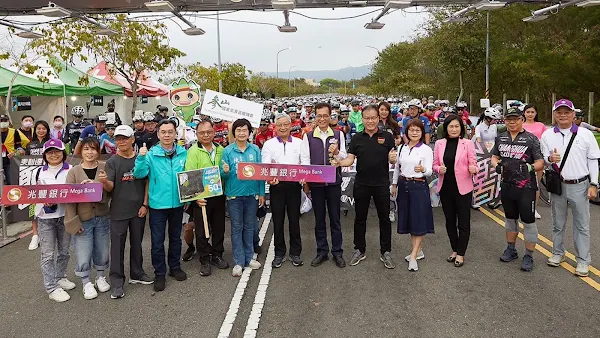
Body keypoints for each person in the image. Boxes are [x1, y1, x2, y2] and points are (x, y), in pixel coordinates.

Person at [332, 104, 397, 269]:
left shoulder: (387, 137)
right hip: (361, 183)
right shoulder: (357, 138)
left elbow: (392, 159)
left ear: (378, 118)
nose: (370, 121)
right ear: (362, 119)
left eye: (373, 118)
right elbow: (350, 159)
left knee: (384, 219)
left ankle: (386, 251)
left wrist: (392, 159)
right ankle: (359, 249)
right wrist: (339, 162)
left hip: (382, 184)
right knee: (360, 218)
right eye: (366, 118)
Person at [541, 99, 600, 277]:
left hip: (580, 185)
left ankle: (583, 260)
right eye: (559, 112)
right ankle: (558, 253)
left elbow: (593, 160)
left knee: (581, 225)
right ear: (555, 115)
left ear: (574, 114)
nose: (563, 115)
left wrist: (594, 184)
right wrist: (550, 159)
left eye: (567, 112)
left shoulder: (585, 134)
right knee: (558, 223)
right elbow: (543, 159)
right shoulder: (547, 135)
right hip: (558, 185)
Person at [133, 119, 188, 292]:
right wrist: (141, 158)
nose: (166, 135)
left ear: (175, 134)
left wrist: (188, 198)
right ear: (158, 134)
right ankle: (160, 273)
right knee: (157, 242)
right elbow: (139, 174)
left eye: (170, 132)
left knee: (175, 238)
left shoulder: (183, 153)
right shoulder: (150, 154)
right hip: (157, 204)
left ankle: (175, 267)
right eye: (163, 132)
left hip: (178, 203)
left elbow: (189, 177)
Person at [491, 107, 544, 272]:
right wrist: (496, 165)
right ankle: (511, 249)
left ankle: (528, 255)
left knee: (528, 222)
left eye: (515, 119)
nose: (512, 122)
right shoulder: (501, 138)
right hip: (507, 185)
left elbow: (540, 163)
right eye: (508, 119)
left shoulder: (531, 139)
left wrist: (529, 167)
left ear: (521, 119)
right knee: (510, 219)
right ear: (505, 121)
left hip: (526, 187)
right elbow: (494, 156)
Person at [104, 125, 153, 299]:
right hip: (118, 211)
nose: (121, 142)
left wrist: (145, 204)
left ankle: (137, 273)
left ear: (133, 139)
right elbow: (110, 186)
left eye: (125, 138)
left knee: (137, 243)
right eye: (118, 139)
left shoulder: (142, 158)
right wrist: (103, 182)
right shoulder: (112, 162)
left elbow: (147, 182)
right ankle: (117, 282)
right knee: (117, 247)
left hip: (138, 210)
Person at [300, 102, 347, 268]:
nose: (322, 119)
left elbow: (344, 157)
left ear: (330, 116)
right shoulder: (309, 135)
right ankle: (322, 251)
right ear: (315, 116)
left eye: (325, 115)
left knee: (335, 218)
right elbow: (305, 159)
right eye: (319, 115)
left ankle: (337, 252)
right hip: (316, 183)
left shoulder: (338, 134)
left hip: (334, 182)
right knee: (319, 218)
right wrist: (306, 180)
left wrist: (337, 153)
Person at [64, 137, 111, 300]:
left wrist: (98, 185)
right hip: (83, 218)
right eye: (86, 149)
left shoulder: (105, 167)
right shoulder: (74, 171)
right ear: (81, 151)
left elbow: (111, 191)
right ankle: (86, 281)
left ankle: (100, 276)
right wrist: (73, 221)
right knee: (83, 250)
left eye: (93, 149)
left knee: (103, 248)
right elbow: (69, 199)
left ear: (98, 151)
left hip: (102, 215)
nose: (90, 152)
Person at [183, 120, 229, 276]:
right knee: (202, 230)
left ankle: (217, 255)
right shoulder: (193, 151)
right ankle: (204, 259)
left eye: (209, 132)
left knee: (219, 227)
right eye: (202, 132)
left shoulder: (221, 149)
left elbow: (224, 172)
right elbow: (189, 174)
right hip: (201, 198)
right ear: (197, 134)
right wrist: (195, 197)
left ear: (214, 132)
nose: (206, 135)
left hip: (218, 195)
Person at [222, 118, 265, 276]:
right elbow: (223, 177)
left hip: (251, 194)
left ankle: (248, 257)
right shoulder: (227, 151)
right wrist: (224, 171)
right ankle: (238, 261)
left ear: (249, 132)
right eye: (238, 130)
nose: (241, 133)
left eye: (244, 130)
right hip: (234, 196)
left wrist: (261, 193)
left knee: (249, 227)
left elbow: (260, 173)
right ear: (234, 133)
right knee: (236, 228)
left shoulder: (255, 150)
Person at [433, 115, 477, 267]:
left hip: (463, 188)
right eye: (451, 126)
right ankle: (454, 249)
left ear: (461, 128)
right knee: (450, 221)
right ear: (446, 128)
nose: (454, 129)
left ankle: (461, 253)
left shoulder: (468, 143)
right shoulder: (439, 143)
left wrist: (473, 168)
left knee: (463, 222)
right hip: (446, 187)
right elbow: (435, 164)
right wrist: (439, 169)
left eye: (456, 126)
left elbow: (474, 163)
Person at [261, 113, 305, 268]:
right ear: (275, 127)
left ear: (291, 125)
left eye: (286, 124)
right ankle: (279, 253)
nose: (283, 127)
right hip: (276, 186)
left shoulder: (300, 143)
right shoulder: (269, 144)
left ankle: (295, 253)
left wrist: (303, 176)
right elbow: (265, 165)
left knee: (294, 220)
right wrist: (269, 179)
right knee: (278, 221)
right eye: (279, 125)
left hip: (294, 186)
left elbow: (305, 163)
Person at [35, 139, 75, 302]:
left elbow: (77, 191)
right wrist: (43, 199)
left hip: (65, 215)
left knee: (64, 251)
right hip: (45, 218)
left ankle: (60, 277)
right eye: (50, 152)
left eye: (57, 151)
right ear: (45, 155)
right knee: (48, 254)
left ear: (63, 153)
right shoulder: (38, 171)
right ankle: (51, 287)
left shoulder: (71, 170)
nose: (54, 155)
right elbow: (31, 193)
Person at [391, 119, 434, 271]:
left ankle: (414, 255)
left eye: (417, 130)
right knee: (410, 220)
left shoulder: (426, 150)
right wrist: (394, 184)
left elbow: (430, 171)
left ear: (422, 132)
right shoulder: (401, 147)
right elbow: (397, 167)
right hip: (404, 185)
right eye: (411, 130)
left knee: (419, 220)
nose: (414, 133)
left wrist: (423, 169)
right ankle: (418, 250)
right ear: (406, 132)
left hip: (419, 186)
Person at [26, 120, 52, 251]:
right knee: (33, 206)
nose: (41, 131)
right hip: (32, 181)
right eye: (39, 128)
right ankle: (35, 235)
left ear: (47, 130)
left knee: (49, 205)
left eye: (44, 128)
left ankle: (48, 233)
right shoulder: (30, 145)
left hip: (48, 179)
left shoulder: (50, 144)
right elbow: (25, 162)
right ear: (35, 130)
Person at [522, 105, 547, 219]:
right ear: (524, 113)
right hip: (522, 158)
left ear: (536, 113)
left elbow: (546, 141)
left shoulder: (541, 126)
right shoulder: (520, 125)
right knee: (522, 185)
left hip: (538, 158)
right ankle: (521, 207)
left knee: (535, 184)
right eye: (528, 112)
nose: (530, 114)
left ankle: (534, 209)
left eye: (532, 112)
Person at [1, 114, 28, 185]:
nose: (3, 122)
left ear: (8, 121)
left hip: (10, 161)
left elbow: (18, 146)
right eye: (1, 121)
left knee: (11, 181)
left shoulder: (14, 132)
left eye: (5, 120)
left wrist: (18, 152)